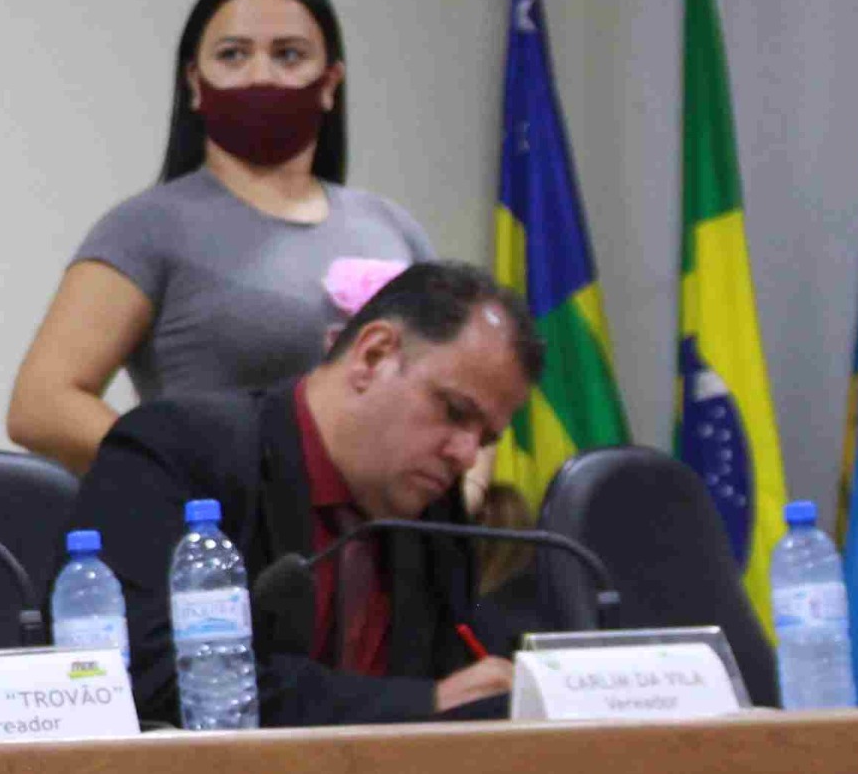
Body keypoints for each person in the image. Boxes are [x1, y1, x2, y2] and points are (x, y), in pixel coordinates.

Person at [8, 0, 438, 475]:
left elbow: (456, 384)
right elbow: (41, 406)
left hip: (391, 524)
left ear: (330, 82)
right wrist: (192, 474)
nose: (261, 75)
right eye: (233, 54)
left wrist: (468, 489)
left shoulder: (394, 229)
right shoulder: (147, 227)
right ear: (195, 81)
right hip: (222, 524)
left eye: (289, 54)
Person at [70, 260, 534, 728]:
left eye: (485, 438)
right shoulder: (176, 451)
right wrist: (420, 702)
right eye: (454, 411)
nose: (466, 455)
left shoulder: (434, 507)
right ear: (373, 355)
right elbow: (143, 678)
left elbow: (461, 676)